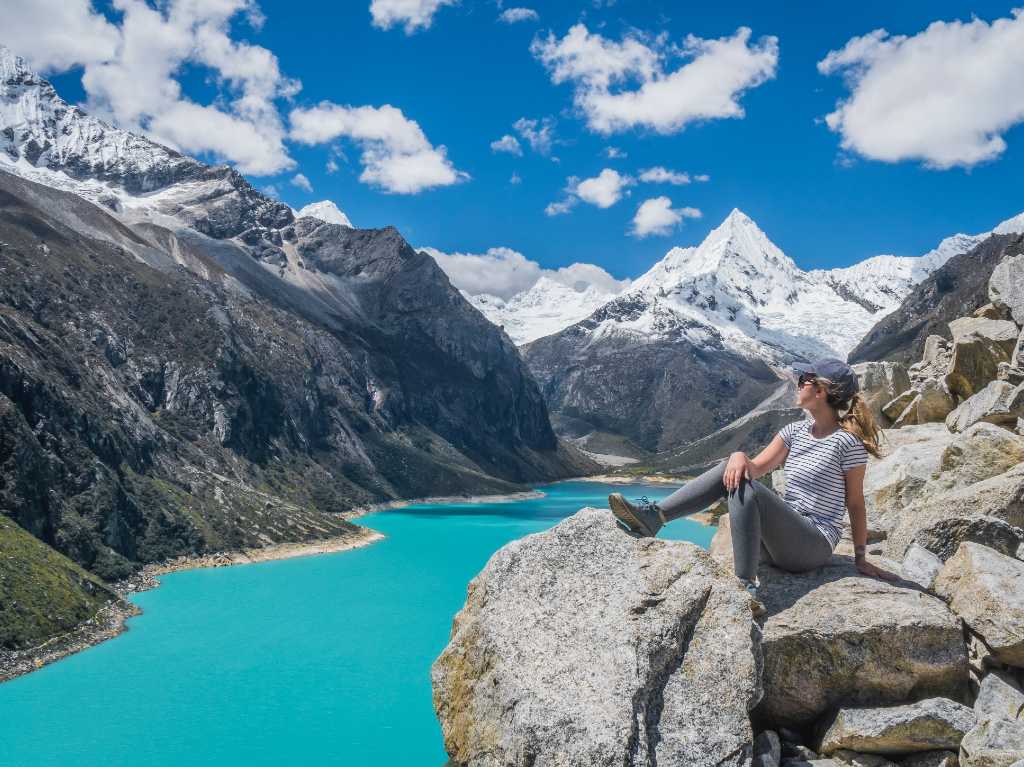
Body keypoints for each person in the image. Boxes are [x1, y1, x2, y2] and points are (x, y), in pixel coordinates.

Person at [608, 357, 896, 611]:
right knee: (730, 469)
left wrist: (861, 558)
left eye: (802, 380)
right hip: (779, 541)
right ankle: (654, 517)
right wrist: (737, 456)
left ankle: (744, 586)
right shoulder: (794, 431)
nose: (797, 385)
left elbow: (855, 504)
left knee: (747, 488)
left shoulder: (847, 444)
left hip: (813, 544)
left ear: (820, 391)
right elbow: (756, 468)